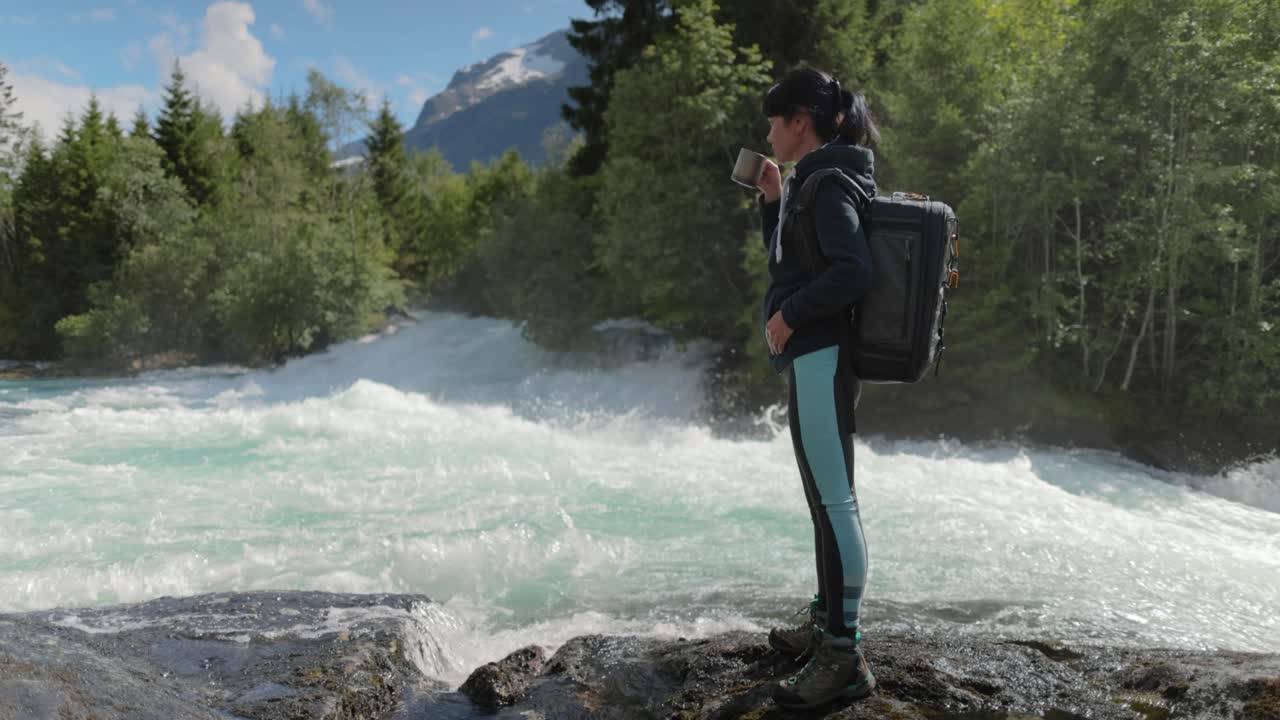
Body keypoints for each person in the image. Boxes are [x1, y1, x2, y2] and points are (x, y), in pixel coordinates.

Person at [754, 67, 878, 709]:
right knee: (822, 499)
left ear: (799, 120)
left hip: (822, 354)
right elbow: (792, 263)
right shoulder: (814, 178)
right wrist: (773, 201)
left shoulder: (828, 182)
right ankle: (827, 619)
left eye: (774, 122)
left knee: (835, 503)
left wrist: (793, 314)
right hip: (813, 358)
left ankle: (843, 654)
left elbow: (853, 271)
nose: (769, 133)